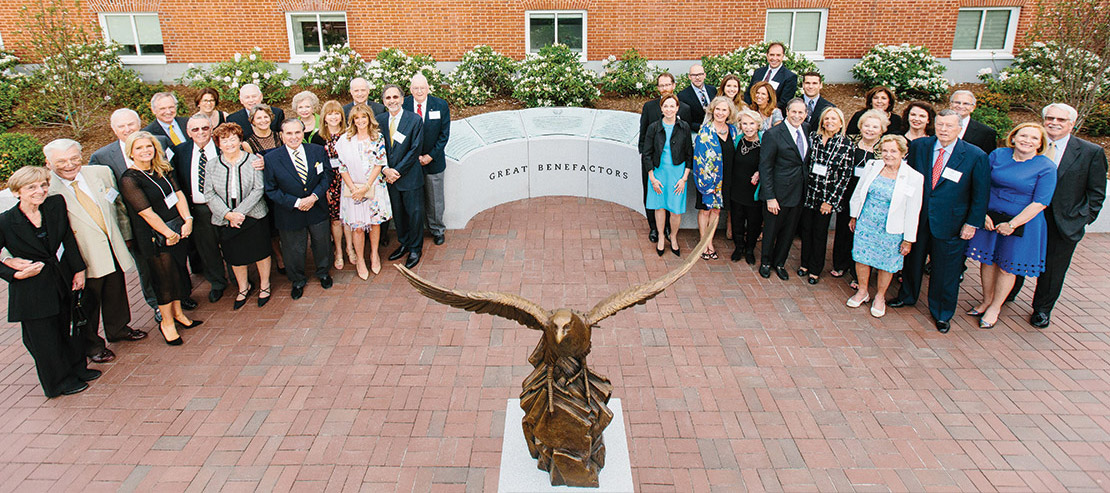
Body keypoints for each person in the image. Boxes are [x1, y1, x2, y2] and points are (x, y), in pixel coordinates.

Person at [42, 139, 144, 364]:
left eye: (74, 158)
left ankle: (118, 328)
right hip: (82, 254)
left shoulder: (100, 172)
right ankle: (92, 344)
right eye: (61, 161)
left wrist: (125, 235)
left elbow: (118, 206)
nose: (69, 165)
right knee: (88, 301)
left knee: (116, 290)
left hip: (111, 244)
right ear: (48, 163)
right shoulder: (47, 189)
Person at [0, 167, 100, 397]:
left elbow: (68, 237)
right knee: (44, 339)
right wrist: (13, 273)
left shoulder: (55, 204)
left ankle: (77, 369)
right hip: (31, 289)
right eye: (31, 187)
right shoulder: (6, 221)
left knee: (69, 327)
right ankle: (57, 382)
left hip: (61, 280)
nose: (40, 190)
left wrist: (79, 269)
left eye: (43, 185)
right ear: (17, 192)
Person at [889, 109, 990, 334]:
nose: (944, 130)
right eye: (940, 125)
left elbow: (980, 194)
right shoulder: (920, 146)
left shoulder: (975, 155)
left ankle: (942, 313)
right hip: (918, 217)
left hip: (952, 222)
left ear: (959, 128)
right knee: (912, 261)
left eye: (949, 126)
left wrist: (971, 224)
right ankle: (907, 296)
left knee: (946, 271)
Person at [1007, 104, 1108, 327]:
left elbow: (1096, 192)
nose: (1054, 122)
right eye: (1050, 118)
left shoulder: (1090, 152)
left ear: (1072, 123)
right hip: (1027, 215)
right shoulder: (1032, 144)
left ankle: (1042, 309)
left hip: (1063, 221)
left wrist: (1083, 218)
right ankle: (1008, 293)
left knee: (1053, 268)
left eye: (1061, 120)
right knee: (1018, 256)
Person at [965, 123, 1058, 328]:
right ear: (1013, 137)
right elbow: (982, 184)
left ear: (1040, 143)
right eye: (1023, 135)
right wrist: (982, 214)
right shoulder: (998, 155)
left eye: (1034, 138)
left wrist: (1012, 224)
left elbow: (1041, 202)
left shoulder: (1045, 166)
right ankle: (986, 300)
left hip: (1021, 223)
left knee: (1007, 267)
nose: (1027, 141)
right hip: (990, 218)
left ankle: (995, 307)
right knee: (988, 261)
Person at [86, 108, 176, 317]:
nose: (127, 129)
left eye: (131, 124)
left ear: (140, 124)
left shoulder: (160, 141)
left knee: (172, 261)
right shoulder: (101, 156)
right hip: (134, 221)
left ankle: (179, 299)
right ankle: (157, 305)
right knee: (146, 265)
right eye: (121, 126)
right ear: (113, 129)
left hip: (165, 213)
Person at [118, 131, 202, 345]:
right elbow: (146, 212)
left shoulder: (162, 169)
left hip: (177, 227)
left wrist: (188, 220)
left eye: (149, 146)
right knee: (163, 280)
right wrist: (167, 233)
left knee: (177, 274)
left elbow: (179, 194)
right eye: (139, 148)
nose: (145, 151)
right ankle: (166, 322)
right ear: (131, 152)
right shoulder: (130, 178)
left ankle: (178, 314)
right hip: (155, 236)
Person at [846, 135, 924, 318]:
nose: (888, 155)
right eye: (885, 151)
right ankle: (862, 291)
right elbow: (859, 192)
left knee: (886, 264)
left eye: (893, 151)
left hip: (892, 228)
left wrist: (908, 239)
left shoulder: (913, 177)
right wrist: (854, 216)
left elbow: (914, 210)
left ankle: (880, 296)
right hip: (866, 222)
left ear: (903, 153)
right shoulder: (873, 166)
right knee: (861, 258)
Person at [263, 119, 333, 300]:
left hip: (316, 206)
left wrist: (314, 197)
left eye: (297, 133)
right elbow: (271, 189)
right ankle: (298, 280)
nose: (294, 137)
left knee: (322, 242)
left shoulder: (317, 151)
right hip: (290, 211)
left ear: (303, 133)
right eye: (289, 133)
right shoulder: (271, 158)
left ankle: (323, 272)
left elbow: (326, 175)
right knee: (294, 248)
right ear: (281, 135)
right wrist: (296, 203)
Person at [204, 123, 273, 309]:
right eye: (224, 140)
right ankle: (244, 287)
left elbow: (258, 189)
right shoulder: (212, 165)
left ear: (240, 140)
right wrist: (228, 215)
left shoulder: (253, 160)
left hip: (253, 214)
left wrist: (239, 213)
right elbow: (209, 194)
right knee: (235, 255)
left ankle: (265, 284)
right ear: (218, 143)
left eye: (233, 138)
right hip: (226, 218)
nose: (229, 143)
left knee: (261, 252)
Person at [172, 114, 230, 303]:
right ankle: (218, 283)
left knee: (231, 243)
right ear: (188, 132)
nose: (201, 133)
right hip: (199, 209)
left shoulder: (224, 146)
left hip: (225, 205)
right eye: (195, 129)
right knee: (208, 248)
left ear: (212, 128)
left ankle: (240, 279)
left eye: (205, 128)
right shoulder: (180, 152)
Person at [335, 104, 393, 279]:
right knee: (358, 227)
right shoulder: (345, 139)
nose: (360, 121)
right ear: (352, 120)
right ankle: (360, 260)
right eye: (356, 118)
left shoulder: (377, 138)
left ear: (369, 119)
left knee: (375, 224)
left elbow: (379, 163)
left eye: (364, 117)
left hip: (373, 187)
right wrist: (354, 189)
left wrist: (367, 186)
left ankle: (374, 254)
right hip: (353, 190)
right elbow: (342, 166)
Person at [831, 110, 887, 287]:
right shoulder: (850, 141)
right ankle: (840, 264)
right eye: (867, 125)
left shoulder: (883, 148)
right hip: (847, 192)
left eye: (875, 127)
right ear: (860, 126)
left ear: (882, 130)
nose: (870, 130)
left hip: (869, 197)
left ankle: (858, 274)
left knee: (862, 234)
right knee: (843, 229)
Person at [797, 107, 853, 284]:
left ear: (840, 123)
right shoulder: (813, 138)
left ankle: (815, 269)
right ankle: (804, 263)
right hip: (809, 194)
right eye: (826, 118)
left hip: (826, 197)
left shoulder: (846, 144)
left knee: (820, 233)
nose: (829, 122)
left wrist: (830, 201)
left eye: (833, 119)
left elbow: (844, 177)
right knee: (806, 231)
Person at [758, 98, 810, 280]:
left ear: (805, 114)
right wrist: (770, 196)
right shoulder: (773, 134)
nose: (797, 116)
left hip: (798, 192)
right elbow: (765, 167)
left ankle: (779, 262)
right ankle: (765, 262)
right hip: (778, 193)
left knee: (789, 231)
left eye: (801, 112)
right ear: (787, 112)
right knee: (771, 229)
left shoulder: (806, 130)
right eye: (793, 112)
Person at [639, 72, 692, 244]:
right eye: (661, 86)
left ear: (674, 85)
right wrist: (645, 157)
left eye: (667, 85)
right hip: (654, 161)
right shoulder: (649, 107)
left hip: (675, 163)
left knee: (671, 195)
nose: (664, 89)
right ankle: (655, 228)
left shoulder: (684, 109)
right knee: (652, 194)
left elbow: (687, 136)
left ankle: (669, 229)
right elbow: (643, 132)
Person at [378, 84, 426, 269]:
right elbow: (375, 148)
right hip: (389, 178)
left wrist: (396, 171)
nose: (392, 101)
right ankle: (404, 243)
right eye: (388, 98)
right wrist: (385, 169)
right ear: (384, 101)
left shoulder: (414, 120)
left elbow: (415, 149)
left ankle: (415, 248)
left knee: (414, 214)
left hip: (408, 176)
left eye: (395, 97)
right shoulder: (379, 120)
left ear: (402, 99)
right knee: (398, 214)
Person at [403, 73, 451, 246]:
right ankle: (415, 232)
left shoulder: (440, 105)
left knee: (435, 199)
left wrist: (430, 156)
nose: (419, 91)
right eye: (415, 88)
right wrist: (412, 157)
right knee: (413, 199)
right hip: (410, 162)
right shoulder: (405, 104)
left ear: (428, 88)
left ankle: (437, 230)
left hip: (434, 161)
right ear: (410, 89)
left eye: (422, 88)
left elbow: (444, 135)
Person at [693, 96, 737, 260]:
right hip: (707, 181)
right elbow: (698, 158)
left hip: (725, 178)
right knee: (705, 210)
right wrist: (706, 185)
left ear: (729, 112)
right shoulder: (705, 131)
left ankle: (709, 240)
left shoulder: (732, 130)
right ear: (712, 110)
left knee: (716, 210)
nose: (720, 113)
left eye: (724, 110)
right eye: (717, 109)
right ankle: (704, 244)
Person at [319, 100, 354, 270]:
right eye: (330, 113)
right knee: (335, 220)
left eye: (337, 113)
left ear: (342, 116)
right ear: (324, 117)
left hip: (347, 182)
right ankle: (338, 251)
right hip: (329, 183)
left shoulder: (349, 135)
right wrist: (324, 187)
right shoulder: (318, 138)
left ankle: (350, 248)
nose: (333, 117)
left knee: (348, 217)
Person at [728, 109, 764, 264]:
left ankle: (750, 249)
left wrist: (760, 172)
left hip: (754, 190)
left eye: (751, 124)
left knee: (754, 222)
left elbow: (770, 163)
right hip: (737, 188)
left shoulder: (764, 141)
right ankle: (739, 247)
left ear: (757, 125)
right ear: (740, 125)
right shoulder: (738, 140)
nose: (748, 127)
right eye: (745, 124)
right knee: (737, 220)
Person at [745, 42, 797, 111]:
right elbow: (748, 93)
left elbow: (784, 102)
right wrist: (752, 109)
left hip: (772, 115)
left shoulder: (790, 77)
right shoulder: (758, 72)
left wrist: (764, 111)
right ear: (767, 55)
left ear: (783, 56)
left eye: (778, 55)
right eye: (772, 55)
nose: (774, 58)